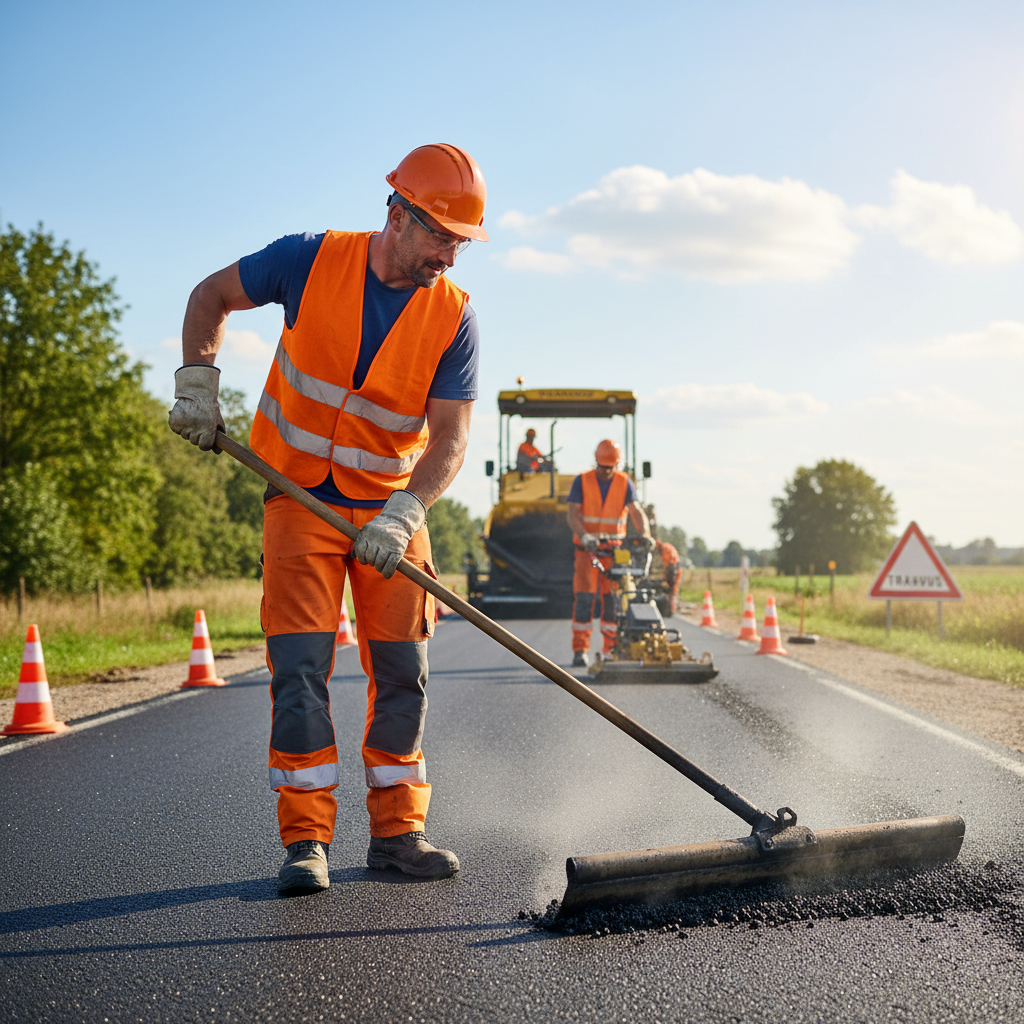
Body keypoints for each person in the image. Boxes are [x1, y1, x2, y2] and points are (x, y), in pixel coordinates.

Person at [168, 143, 487, 895]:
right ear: (397, 215)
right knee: (302, 671)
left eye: (460, 242)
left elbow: (451, 439)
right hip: (298, 498)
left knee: (403, 672)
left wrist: (406, 511)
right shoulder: (307, 261)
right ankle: (306, 840)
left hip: (390, 511)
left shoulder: (455, 318)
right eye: (439, 234)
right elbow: (208, 297)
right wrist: (197, 386)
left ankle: (397, 833)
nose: (449, 254)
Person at [565, 440, 652, 667]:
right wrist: (584, 536)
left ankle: (610, 650)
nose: (606, 471)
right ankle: (580, 649)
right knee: (584, 599)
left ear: (617, 464)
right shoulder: (582, 481)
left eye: (610, 467)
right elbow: (573, 515)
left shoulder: (625, 483)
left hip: (614, 552)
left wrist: (646, 536)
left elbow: (636, 512)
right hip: (587, 551)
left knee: (613, 601)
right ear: (596, 463)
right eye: (603, 466)